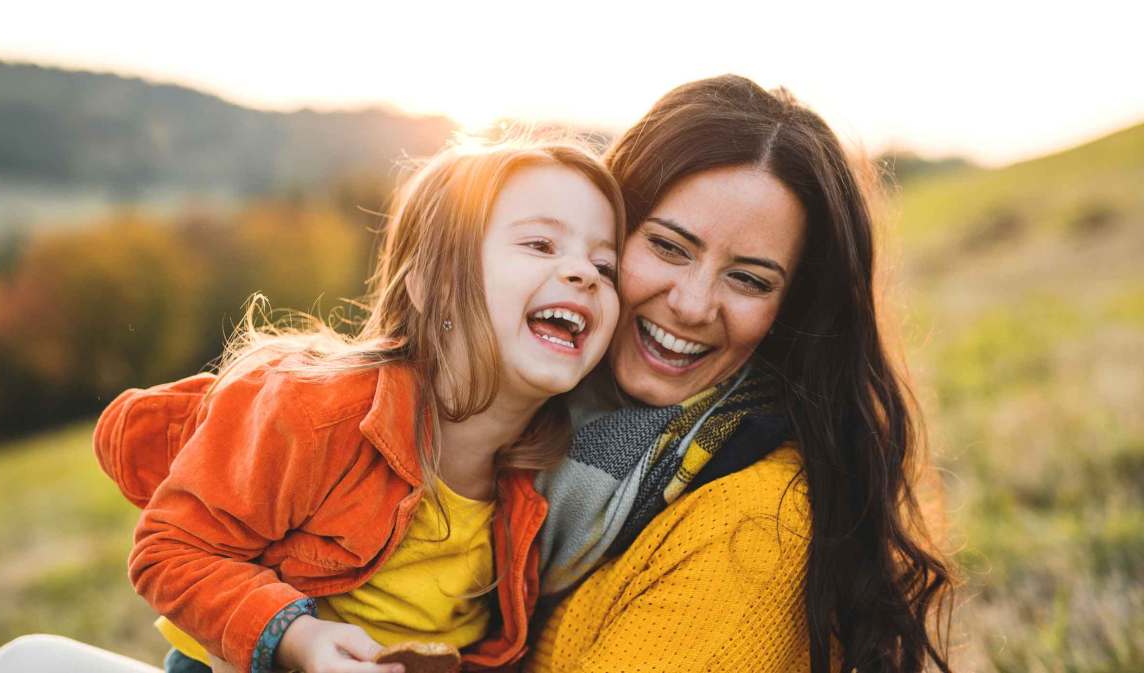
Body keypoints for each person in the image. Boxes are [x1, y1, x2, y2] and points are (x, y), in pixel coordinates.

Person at [99, 136, 625, 673]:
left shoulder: (549, 477)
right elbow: (170, 551)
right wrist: (297, 639)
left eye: (606, 267)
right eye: (540, 245)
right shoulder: (315, 411)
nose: (584, 274)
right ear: (432, 285)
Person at [525, 75, 954, 673]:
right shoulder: (516, 421)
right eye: (670, 247)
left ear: (792, 311)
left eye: (749, 279)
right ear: (604, 235)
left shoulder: (752, 528)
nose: (694, 305)